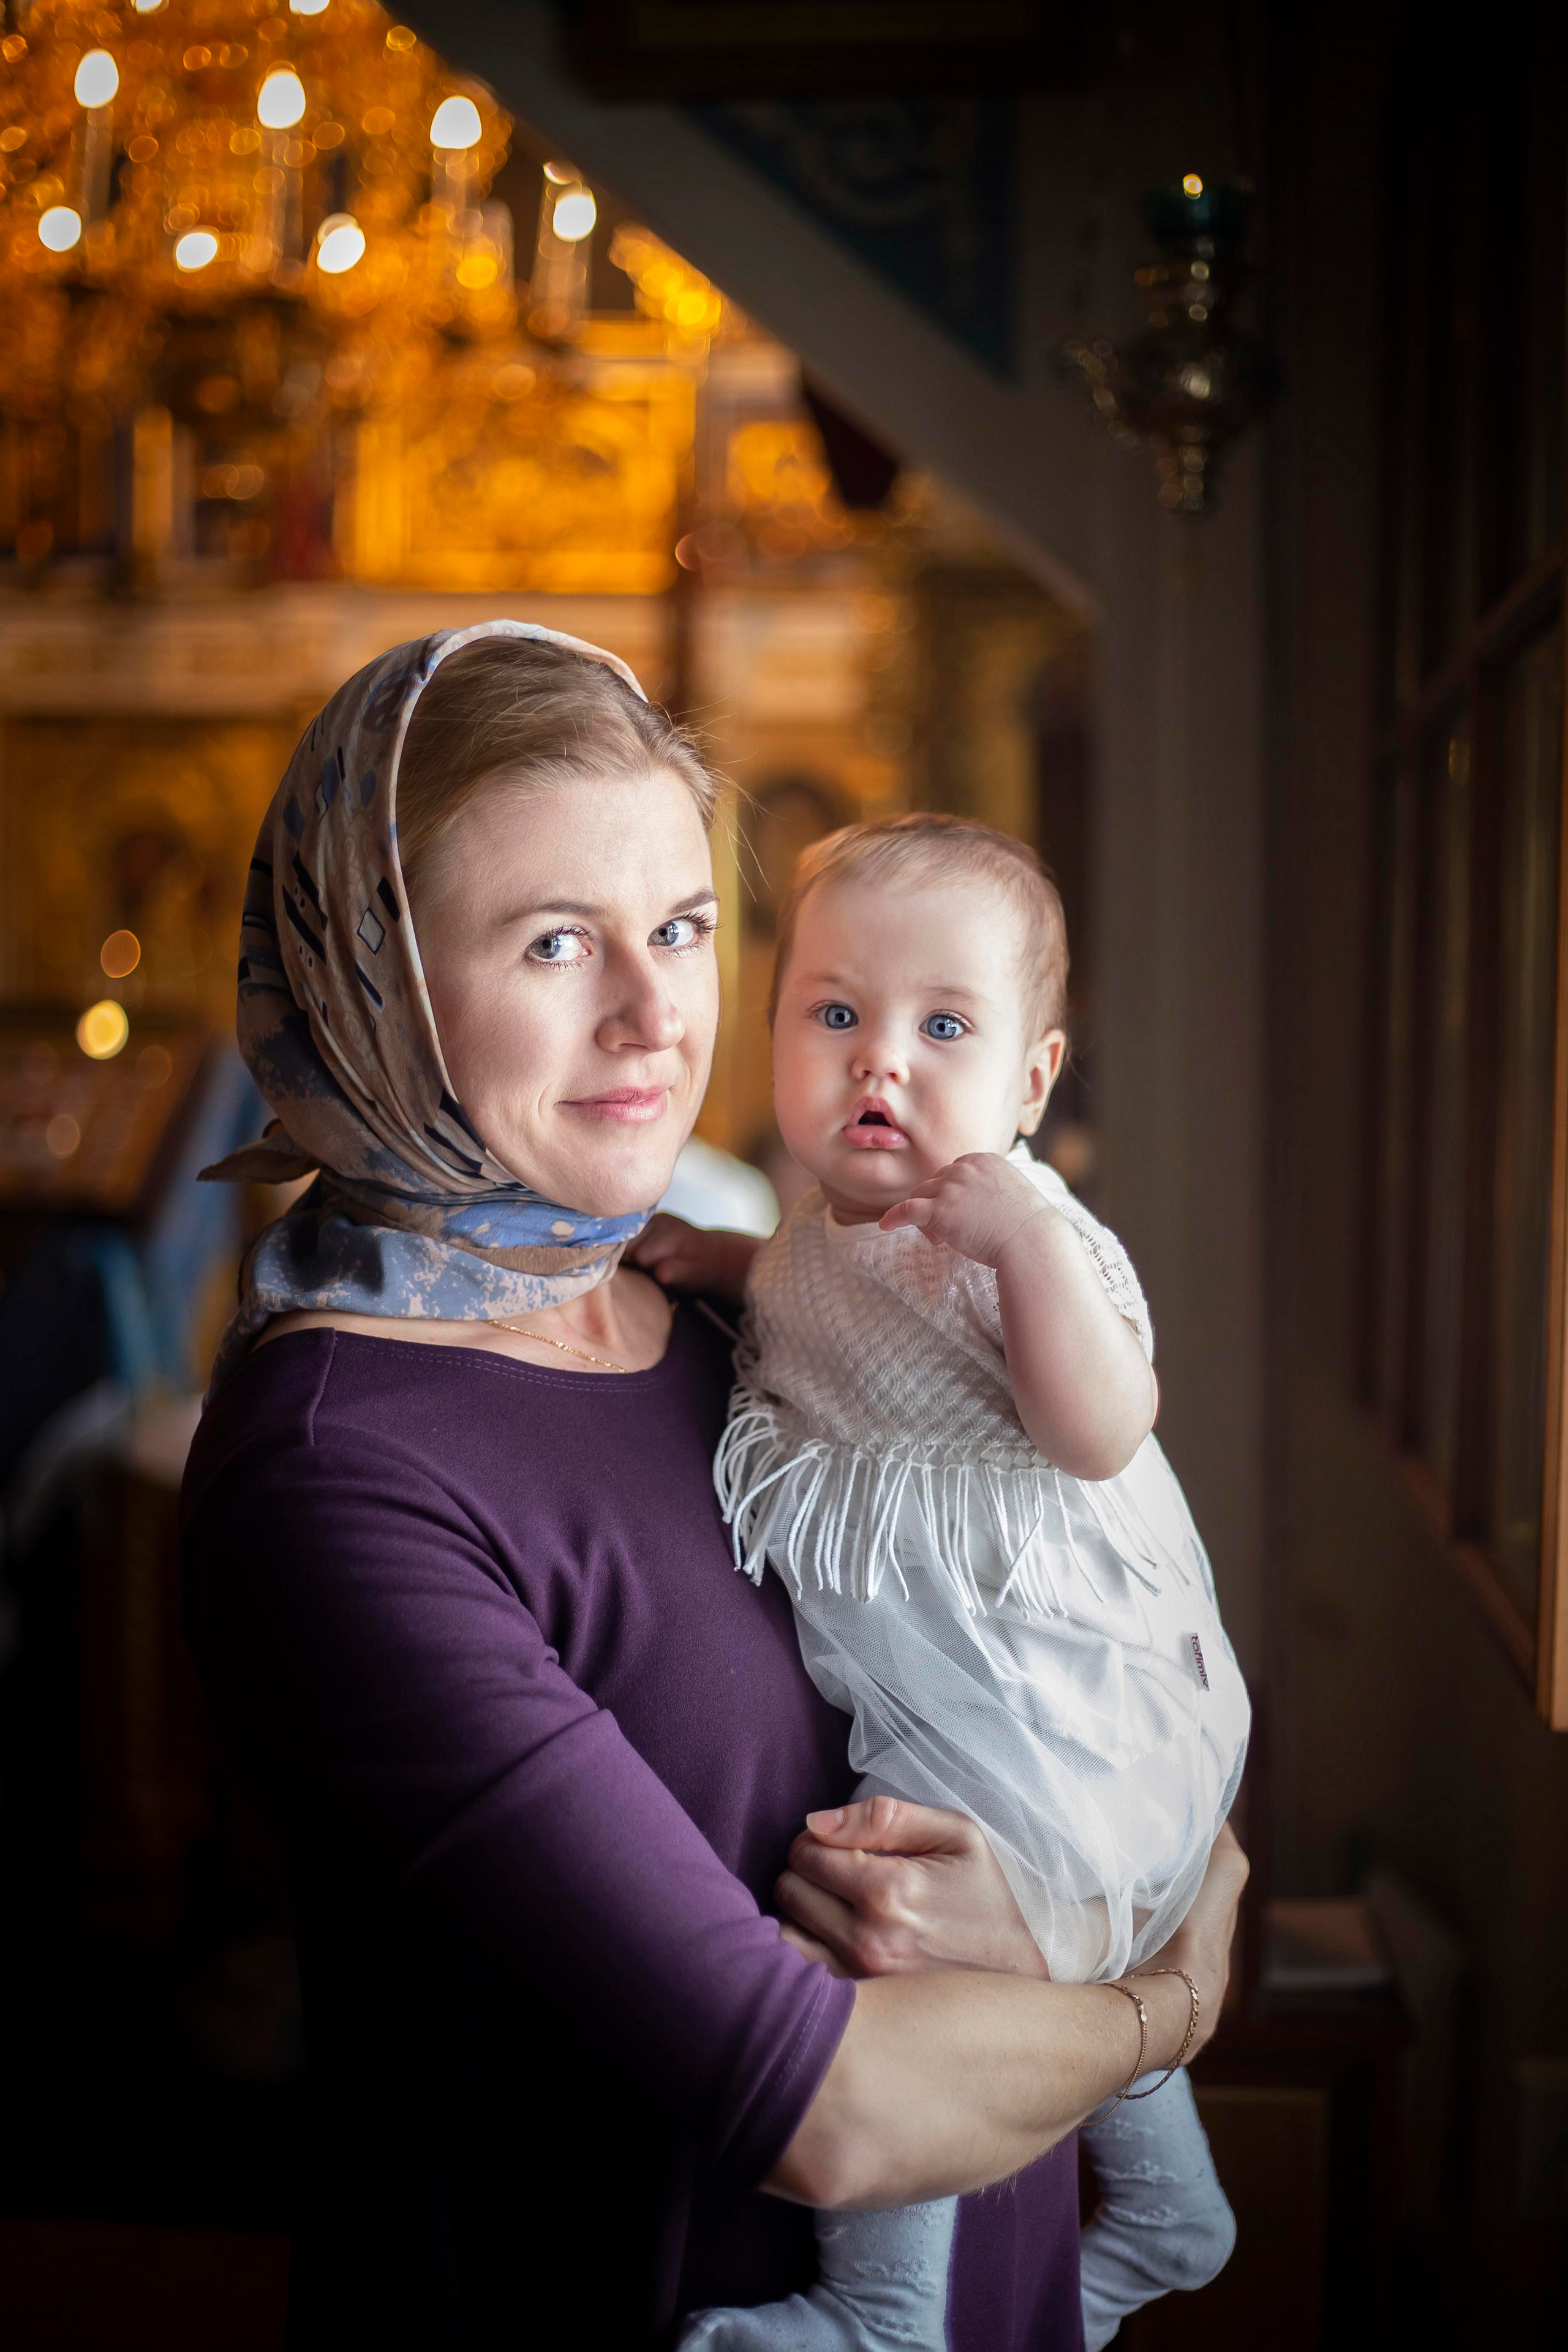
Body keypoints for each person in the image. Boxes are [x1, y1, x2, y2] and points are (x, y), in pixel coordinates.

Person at [181, 623, 1248, 2350]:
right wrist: (1157, 1998)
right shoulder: (342, 1477)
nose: (655, 1014)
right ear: (378, 979)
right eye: (555, 941)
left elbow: (1076, 1682)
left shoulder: (734, 1309)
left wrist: (1085, 1888)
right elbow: (828, 2105)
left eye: (681, 928)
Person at [635, 816, 1251, 2352]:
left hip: (1035, 1689)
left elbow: (1104, 1428)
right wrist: (726, 1265)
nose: (877, 1064)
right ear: (771, 1030)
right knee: (1039, 1957)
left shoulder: (1021, 1235)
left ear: (1030, 1084)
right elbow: (811, 1292)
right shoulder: (821, 1233)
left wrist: (1027, 1245)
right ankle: (1174, 2214)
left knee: (894, 1957)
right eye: (833, 1014)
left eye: (943, 1028)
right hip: (945, 1673)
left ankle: (881, 2317)